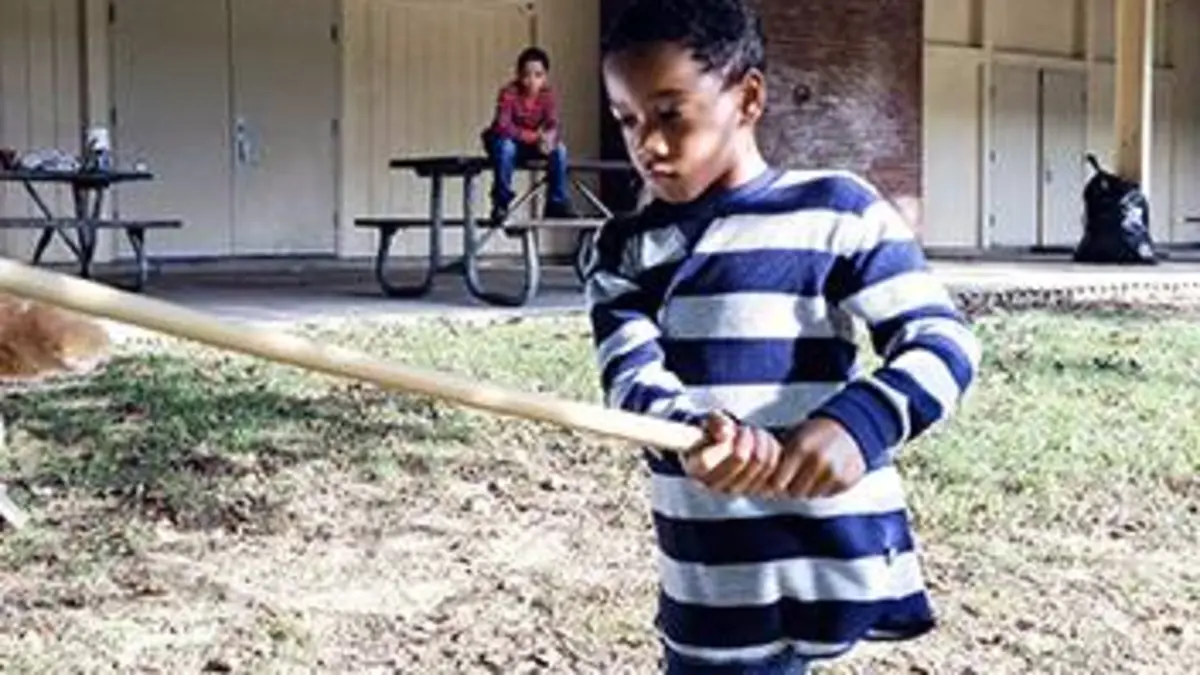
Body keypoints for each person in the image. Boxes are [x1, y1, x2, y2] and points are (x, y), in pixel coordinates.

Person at [584, 1, 983, 673]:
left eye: (669, 113)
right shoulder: (625, 249)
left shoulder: (837, 210)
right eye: (627, 119)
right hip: (716, 578)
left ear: (749, 97)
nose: (645, 144)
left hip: (836, 557)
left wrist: (862, 424)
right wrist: (688, 435)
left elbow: (942, 341)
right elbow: (632, 379)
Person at [482, 46, 577, 223]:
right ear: (518, 75)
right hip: (505, 143)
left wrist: (549, 138)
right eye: (526, 75)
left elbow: (553, 123)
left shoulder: (547, 95)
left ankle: (555, 203)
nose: (531, 80)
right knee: (506, 147)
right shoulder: (509, 92)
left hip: (532, 145)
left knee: (560, 150)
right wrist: (535, 137)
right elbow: (503, 127)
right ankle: (501, 203)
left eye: (538, 75)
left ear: (545, 77)